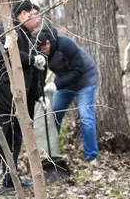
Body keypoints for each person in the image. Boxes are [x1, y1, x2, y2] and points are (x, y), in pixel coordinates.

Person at [0, 0, 44, 193]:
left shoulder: (26, 35)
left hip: (13, 99)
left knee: (15, 138)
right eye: (35, 14)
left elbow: (30, 72)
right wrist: (31, 58)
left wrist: (38, 94)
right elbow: (6, 54)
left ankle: (10, 179)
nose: (38, 19)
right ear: (24, 14)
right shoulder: (4, 29)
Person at [37, 27, 99, 162]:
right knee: (54, 115)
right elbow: (40, 72)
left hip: (85, 80)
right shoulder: (41, 52)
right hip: (64, 83)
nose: (43, 52)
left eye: (43, 48)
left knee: (86, 117)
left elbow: (78, 70)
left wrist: (56, 85)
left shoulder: (66, 45)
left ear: (48, 42)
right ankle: (51, 153)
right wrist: (40, 91)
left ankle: (91, 156)